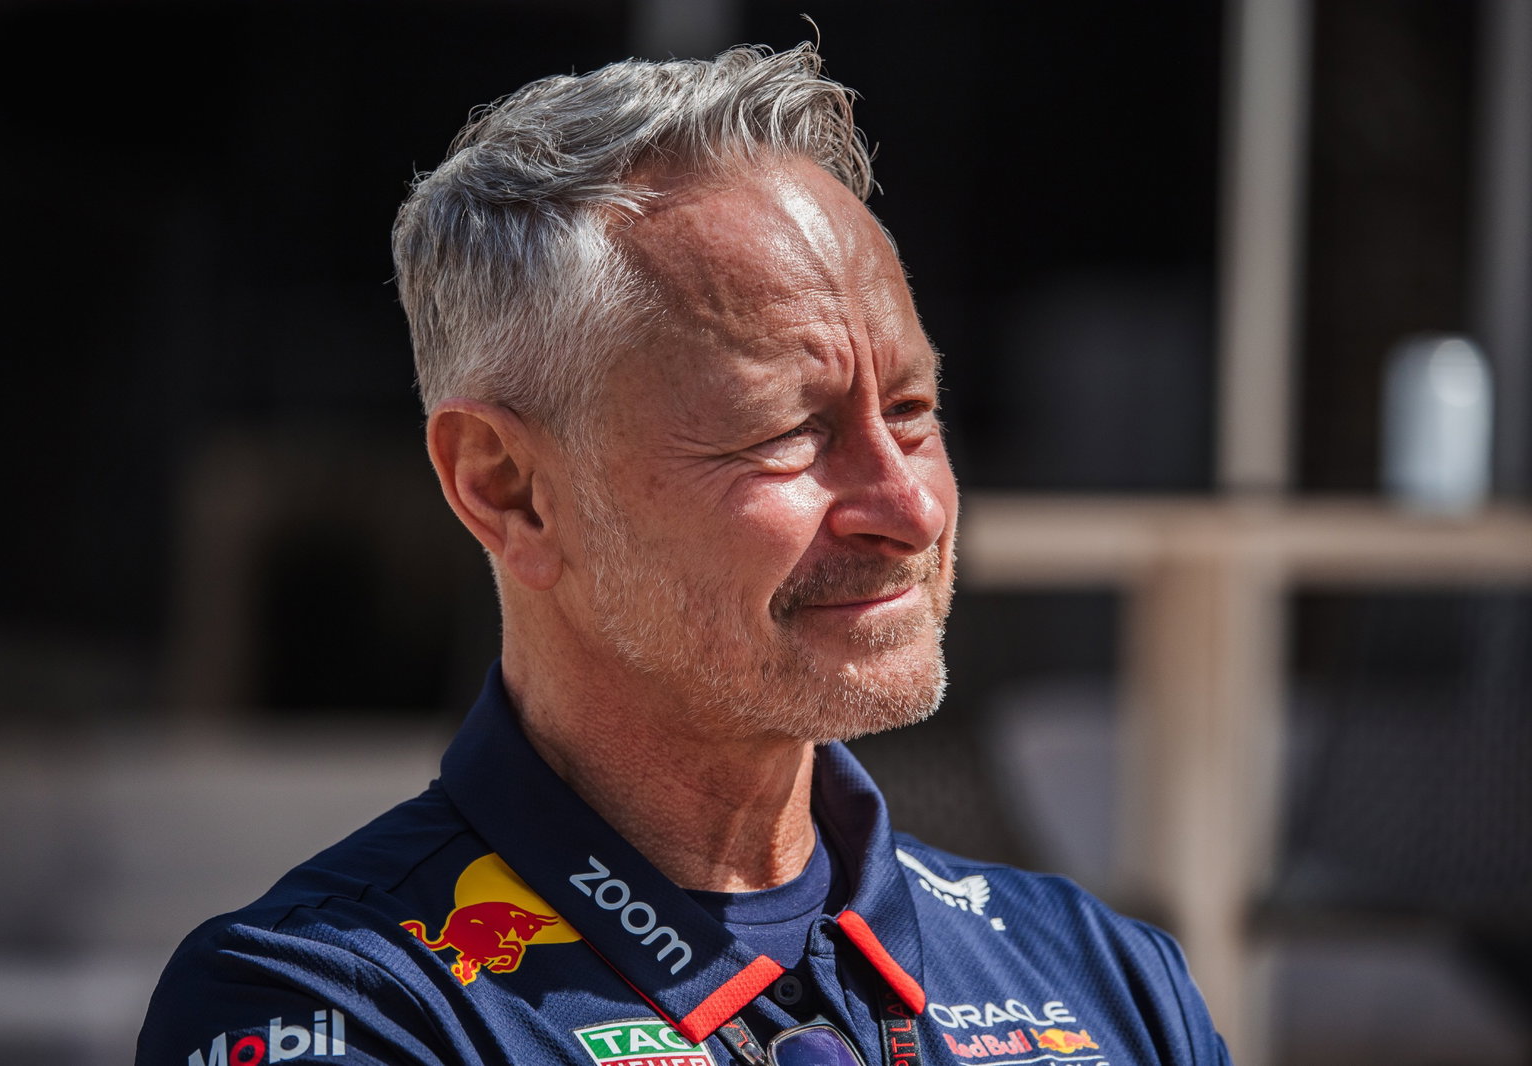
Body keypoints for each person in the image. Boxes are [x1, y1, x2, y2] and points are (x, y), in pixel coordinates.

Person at [137, 43, 1231, 1066]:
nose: (906, 505)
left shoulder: (1103, 975)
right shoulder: (323, 1002)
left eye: (910, 409)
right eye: (785, 433)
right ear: (507, 488)